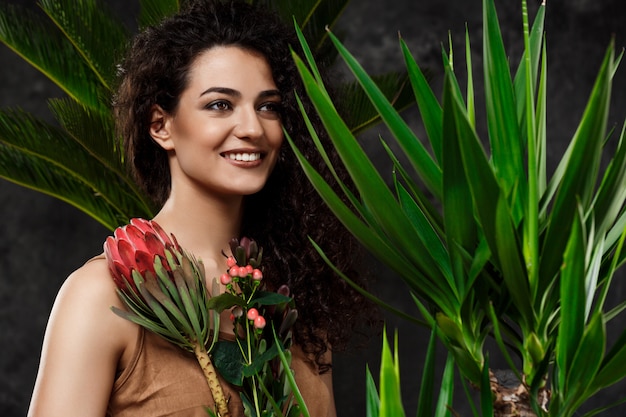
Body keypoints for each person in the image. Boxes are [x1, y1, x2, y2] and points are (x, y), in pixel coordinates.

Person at [27, 1, 373, 416]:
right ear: (161, 126)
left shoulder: (296, 294)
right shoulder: (100, 296)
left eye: (268, 106)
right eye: (220, 105)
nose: (252, 128)